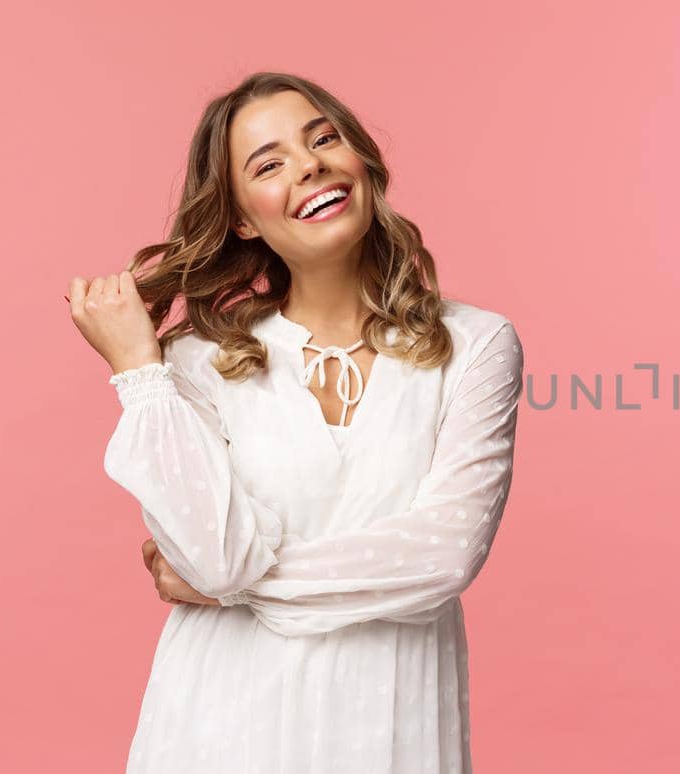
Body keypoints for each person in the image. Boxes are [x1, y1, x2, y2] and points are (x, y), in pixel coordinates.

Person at [65, 72, 523, 773]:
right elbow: (215, 558)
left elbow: (443, 557)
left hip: (388, 728)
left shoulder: (477, 346)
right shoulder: (196, 362)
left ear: (360, 163)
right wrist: (138, 370)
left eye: (323, 138)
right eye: (269, 163)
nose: (309, 165)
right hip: (216, 728)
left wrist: (238, 587)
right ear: (244, 217)